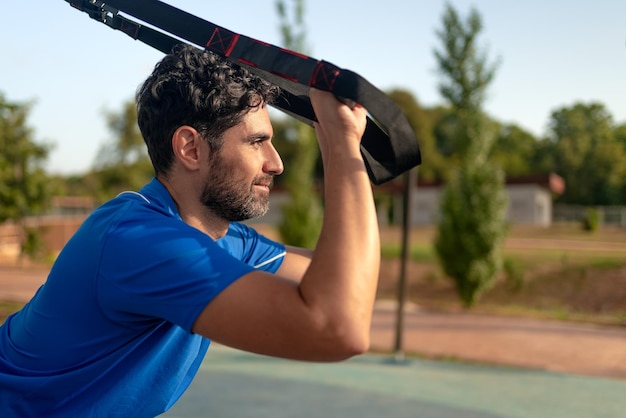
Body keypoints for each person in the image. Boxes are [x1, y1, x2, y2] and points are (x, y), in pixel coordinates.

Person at [0, 44, 380, 416]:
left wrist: (333, 140)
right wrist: (343, 146)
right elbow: (338, 327)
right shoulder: (141, 242)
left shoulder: (221, 239)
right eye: (257, 142)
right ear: (190, 148)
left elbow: (347, 284)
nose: (276, 163)